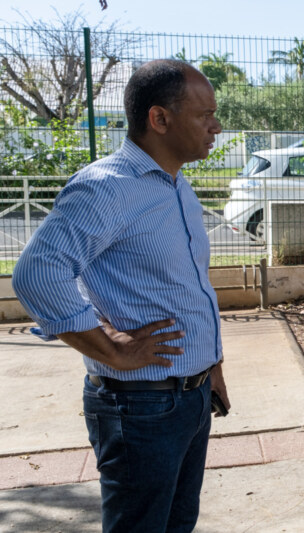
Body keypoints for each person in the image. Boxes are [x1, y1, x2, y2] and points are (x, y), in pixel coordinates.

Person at [12, 59, 230, 533]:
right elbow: (37, 273)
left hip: (189, 399)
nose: (216, 126)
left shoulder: (177, 186)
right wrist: (110, 347)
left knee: (176, 523)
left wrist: (209, 365)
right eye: (204, 114)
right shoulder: (106, 188)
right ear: (159, 119)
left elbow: (187, 287)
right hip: (140, 407)